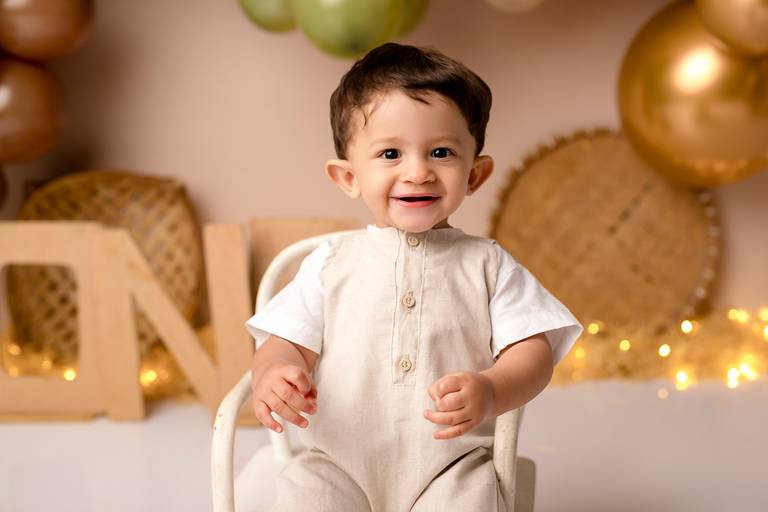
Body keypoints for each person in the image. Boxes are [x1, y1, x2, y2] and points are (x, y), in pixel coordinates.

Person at [246, 42, 582, 511]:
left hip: (451, 463)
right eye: (390, 153)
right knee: (306, 495)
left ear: (474, 175)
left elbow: (533, 353)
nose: (418, 172)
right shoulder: (330, 262)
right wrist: (274, 372)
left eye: (441, 152)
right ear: (349, 177)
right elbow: (285, 342)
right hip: (336, 461)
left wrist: (491, 389)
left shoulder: (488, 265)